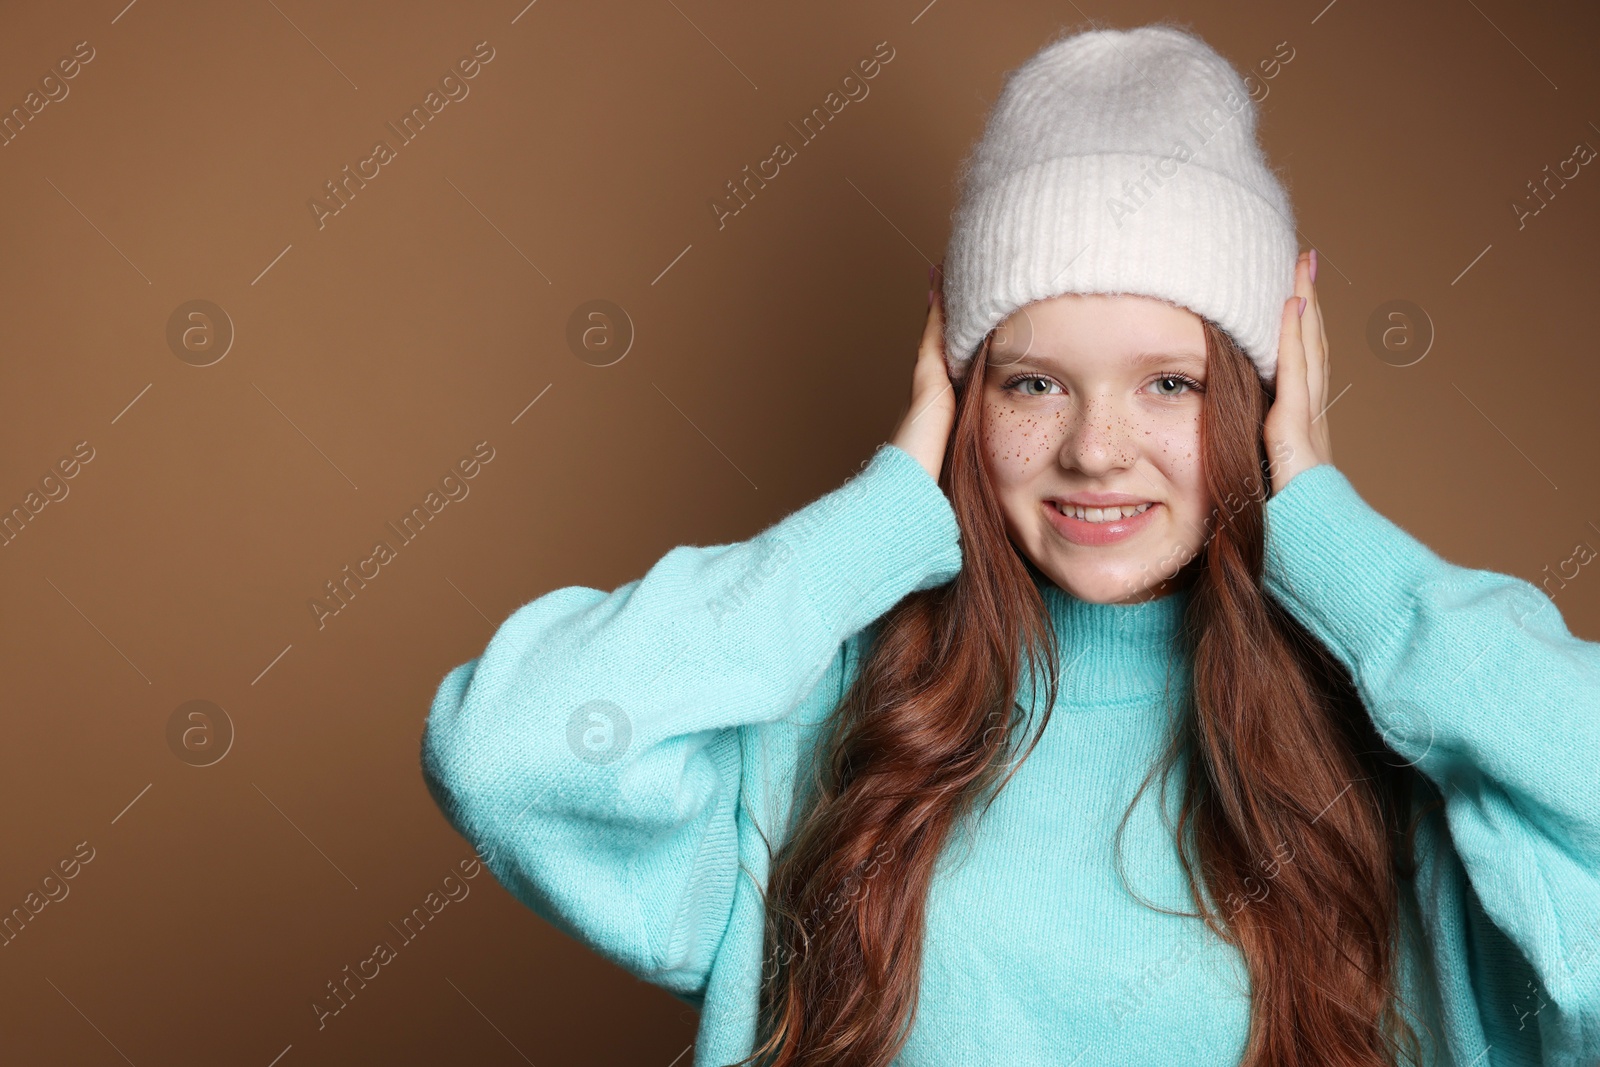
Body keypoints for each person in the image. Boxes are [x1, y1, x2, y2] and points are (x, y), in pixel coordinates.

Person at [420, 21, 1600, 1067]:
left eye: (1170, 384)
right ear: (958, 385)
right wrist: (881, 513)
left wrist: (1338, 543)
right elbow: (510, 755)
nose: (1096, 449)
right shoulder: (824, 717)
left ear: (1262, 394)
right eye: (1033, 382)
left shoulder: (1398, 754)